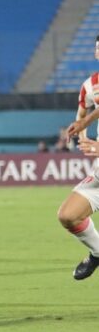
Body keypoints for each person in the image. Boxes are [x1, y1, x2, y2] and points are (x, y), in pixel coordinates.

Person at [59, 34, 99, 280]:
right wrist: (83, 136)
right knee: (68, 215)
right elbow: (82, 111)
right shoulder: (90, 85)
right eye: (98, 48)